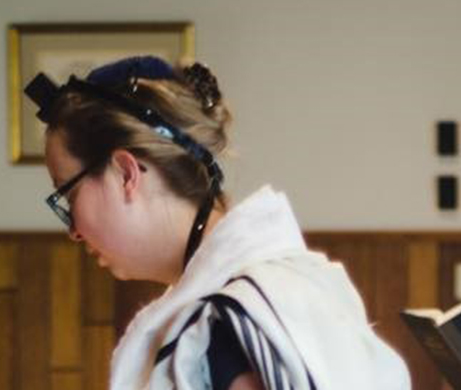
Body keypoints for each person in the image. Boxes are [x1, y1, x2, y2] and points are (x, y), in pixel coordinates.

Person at [25, 56, 411, 390]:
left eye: (68, 195)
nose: (73, 230)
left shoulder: (226, 325)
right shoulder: (293, 284)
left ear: (126, 173)